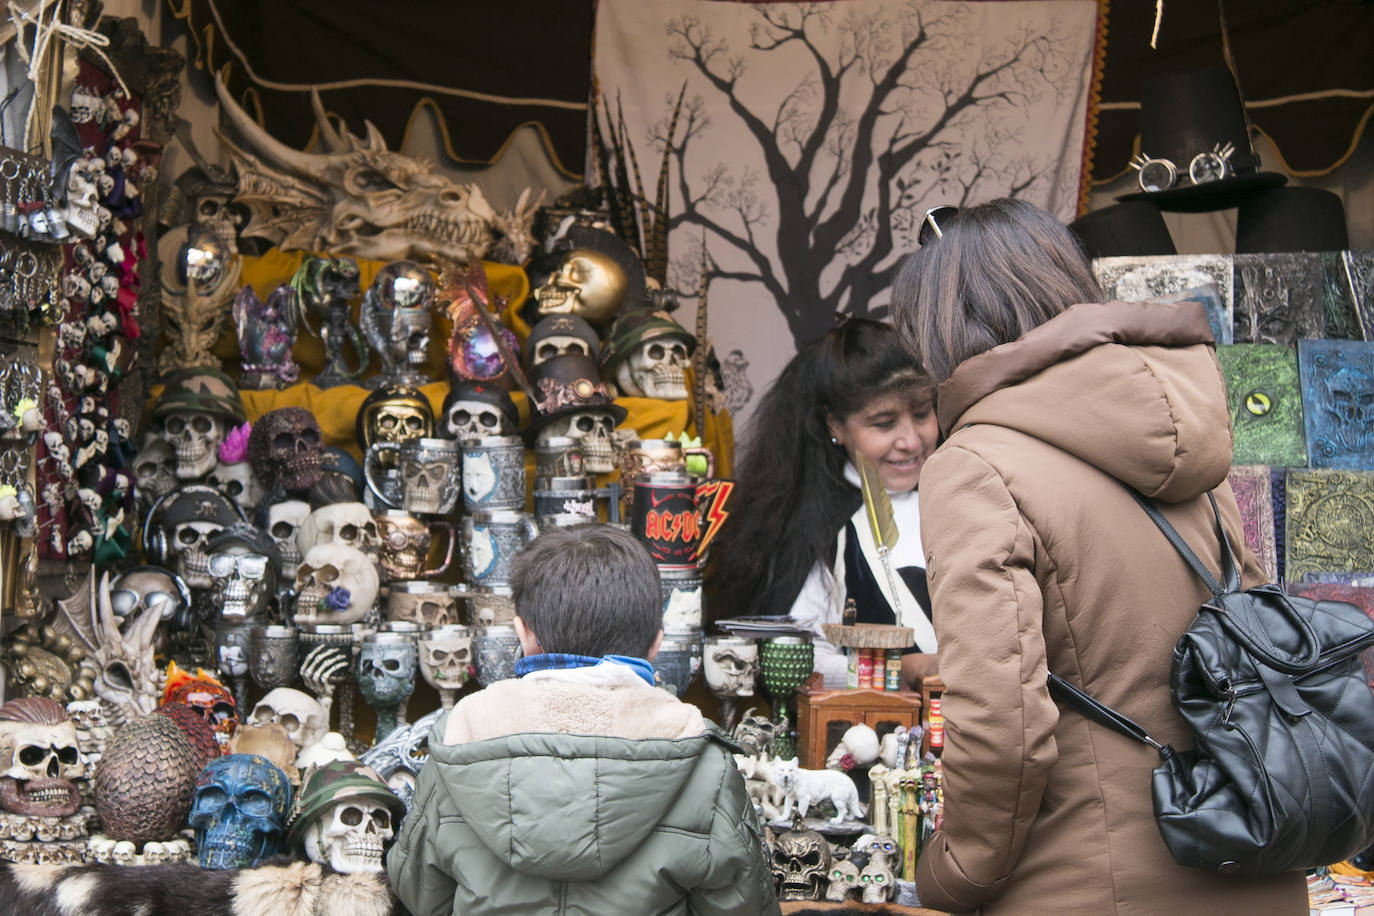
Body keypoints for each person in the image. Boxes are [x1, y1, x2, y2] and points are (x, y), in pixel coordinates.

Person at [889, 199, 1306, 914]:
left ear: (939, 329)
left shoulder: (975, 464)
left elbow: (1002, 729)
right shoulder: (1193, 427)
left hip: (1092, 878)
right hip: (1254, 853)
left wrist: (953, 874)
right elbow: (1261, 636)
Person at [386, 524, 779, 916]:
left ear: (522, 633)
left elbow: (421, 896)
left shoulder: (460, 742)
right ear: (656, 644)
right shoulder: (703, 764)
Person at [707, 317, 940, 688]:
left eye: (922, 414)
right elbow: (800, 656)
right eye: (884, 423)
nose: (911, 441)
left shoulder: (959, 500)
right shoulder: (814, 526)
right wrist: (903, 672)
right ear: (835, 426)